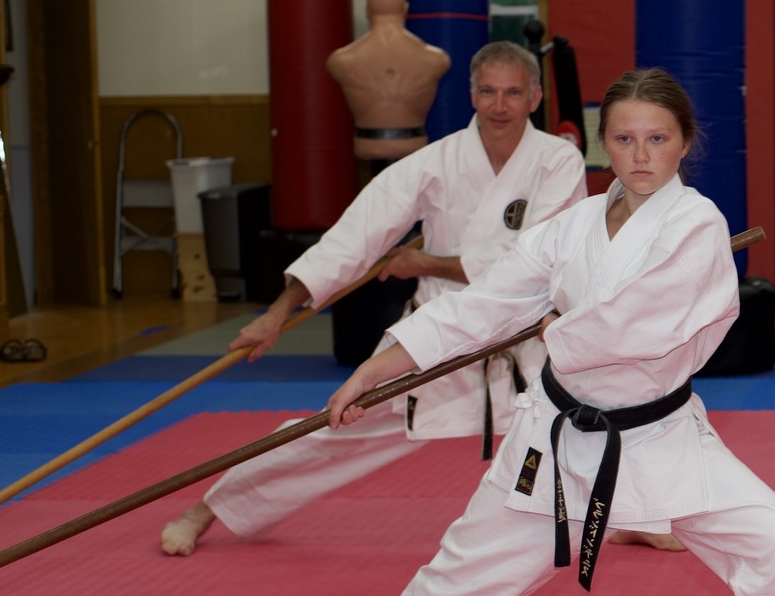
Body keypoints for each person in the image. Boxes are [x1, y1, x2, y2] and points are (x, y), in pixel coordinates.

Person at [291, 68, 775, 596]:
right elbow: (483, 304)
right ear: (600, 144)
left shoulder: (697, 226)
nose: (641, 154)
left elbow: (636, 331)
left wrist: (551, 325)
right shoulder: (573, 226)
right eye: (624, 138)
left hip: (662, 436)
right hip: (555, 440)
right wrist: (378, 368)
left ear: (684, 145)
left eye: (657, 138)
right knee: (458, 573)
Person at [160, 41, 587, 557]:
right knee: (336, 428)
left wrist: (426, 261)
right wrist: (277, 314)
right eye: (488, 92)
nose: (500, 106)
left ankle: (633, 515)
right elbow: (356, 234)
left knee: (600, 410)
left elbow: (534, 254)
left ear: (535, 97)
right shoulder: (436, 162)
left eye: (513, 92)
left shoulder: (558, 160)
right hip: (444, 333)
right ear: (471, 96)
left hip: (525, 335)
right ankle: (206, 508)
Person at [326, 0, 450, 165]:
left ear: (367, 10)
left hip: (368, 143)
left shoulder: (341, 60)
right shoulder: (437, 59)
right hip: (413, 142)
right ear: (405, 8)